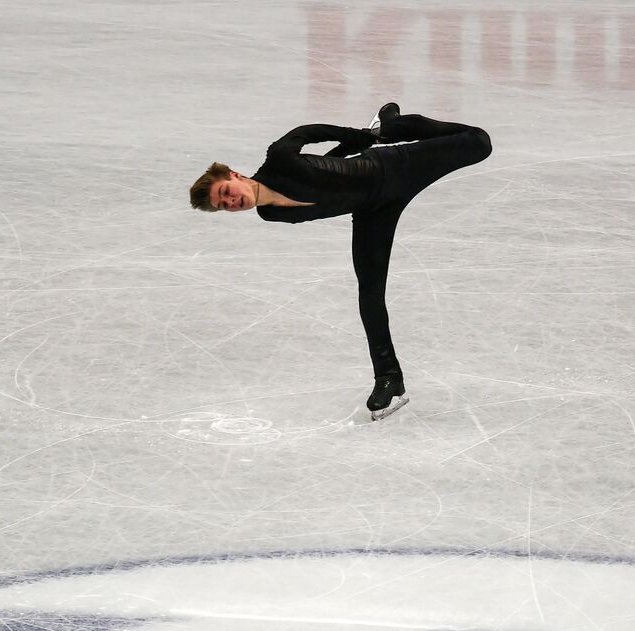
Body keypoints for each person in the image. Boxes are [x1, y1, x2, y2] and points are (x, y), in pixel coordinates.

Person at [189, 104, 492, 420]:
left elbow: (310, 132)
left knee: (479, 142)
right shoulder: (272, 213)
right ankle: (389, 377)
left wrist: (364, 137)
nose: (231, 202)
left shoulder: (279, 157)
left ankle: (394, 126)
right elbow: (326, 175)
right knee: (370, 293)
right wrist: (347, 152)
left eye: (225, 191)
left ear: (234, 175)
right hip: (373, 213)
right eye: (223, 206)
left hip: (396, 168)